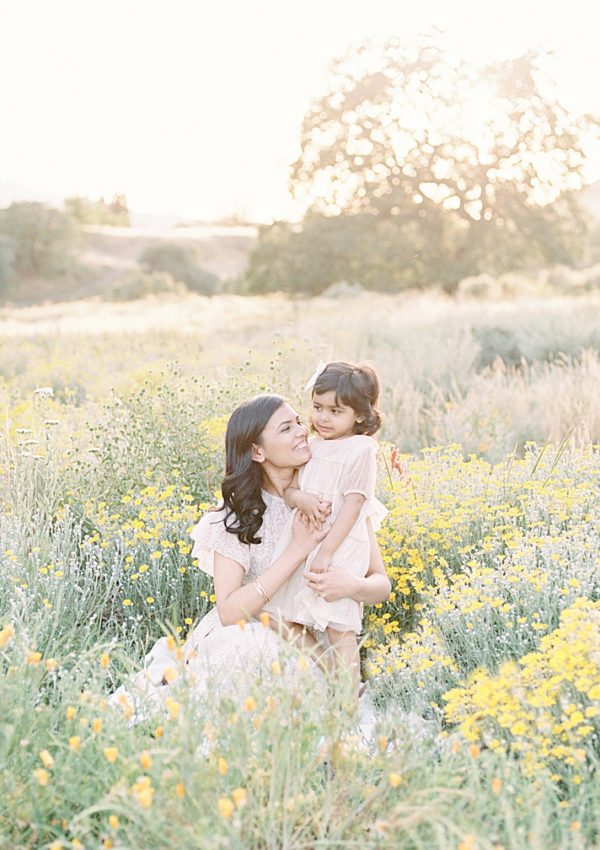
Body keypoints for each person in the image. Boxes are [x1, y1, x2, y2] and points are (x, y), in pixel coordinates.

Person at [109, 393, 390, 716]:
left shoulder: (339, 501)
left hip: (315, 651)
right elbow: (230, 612)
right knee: (254, 650)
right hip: (244, 635)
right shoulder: (235, 517)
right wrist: (298, 550)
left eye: (298, 422)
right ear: (257, 451)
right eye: (286, 429)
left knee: (291, 679)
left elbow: (381, 584)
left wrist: (351, 587)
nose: (302, 431)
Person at [265, 362, 385, 692]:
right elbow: (290, 490)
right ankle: (335, 674)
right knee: (284, 616)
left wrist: (327, 552)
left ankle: (348, 701)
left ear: (359, 415)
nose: (323, 418)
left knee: (338, 627)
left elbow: (354, 505)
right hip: (305, 543)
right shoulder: (313, 447)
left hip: (340, 547)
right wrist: (299, 497)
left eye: (335, 411)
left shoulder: (361, 450)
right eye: (317, 408)